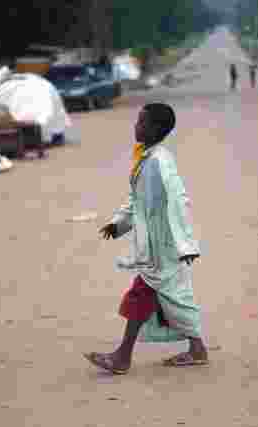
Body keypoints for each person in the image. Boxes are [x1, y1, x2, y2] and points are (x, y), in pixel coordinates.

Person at [85, 103, 208, 375]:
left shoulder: (160, 161)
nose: (135, 126)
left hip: (164, 246)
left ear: (156, 129)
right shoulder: (145, 157)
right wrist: (119, 224)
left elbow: (178, 201)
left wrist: (185, 244)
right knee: (168, 297)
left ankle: (122, 357)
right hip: (153, 246)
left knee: (145, 296)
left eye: (141, 122)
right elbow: (136, 199)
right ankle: (195, 348)